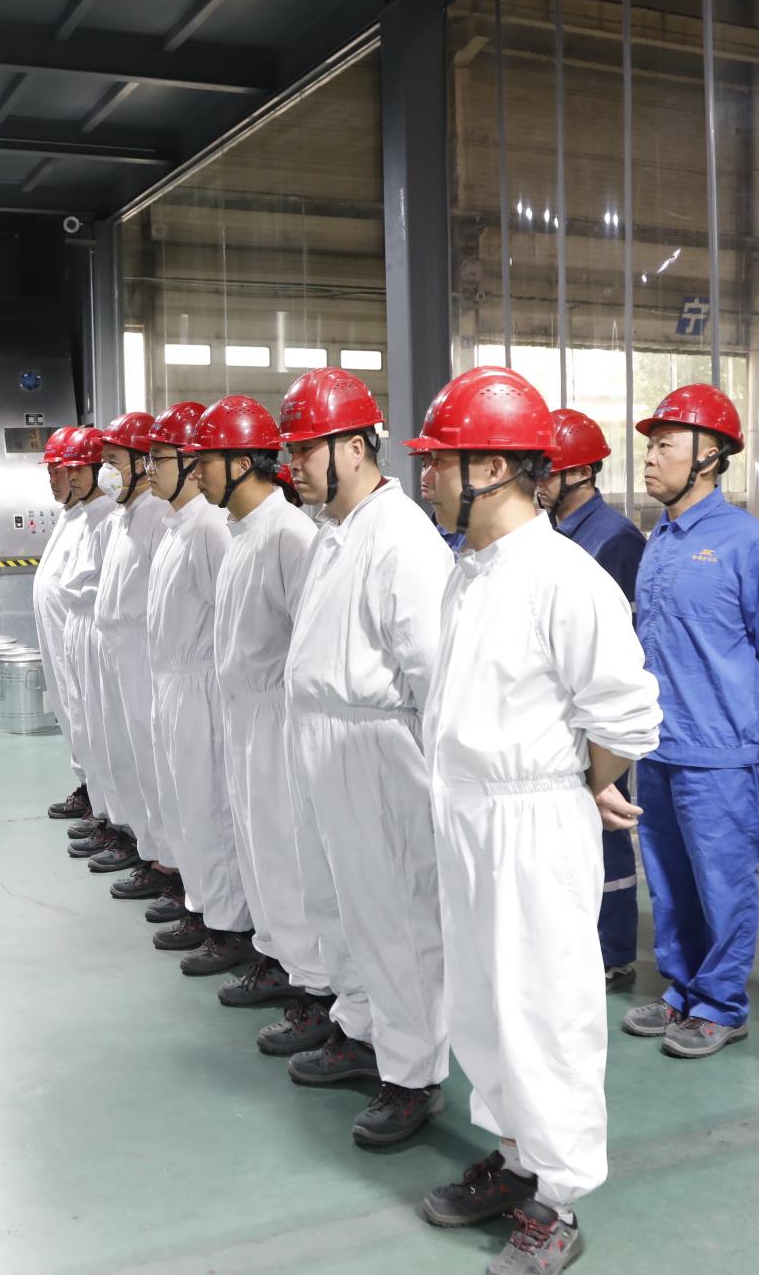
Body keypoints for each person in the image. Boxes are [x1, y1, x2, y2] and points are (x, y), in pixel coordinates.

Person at [409, 365, 662, 1275]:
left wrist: (579, 782)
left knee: (546, 1009)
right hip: (470, 813)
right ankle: (516, 1156)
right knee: (482, 1003)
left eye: (439, 460)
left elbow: (626, 716)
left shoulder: (566, 578)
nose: (425, 476)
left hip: (532, 824)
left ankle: (557, 1200)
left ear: (492, 468)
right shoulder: (469, 571)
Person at [280, 367, 453, 1146]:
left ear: (353, 447)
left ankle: (414, 1074)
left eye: (306, 449)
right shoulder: (333, 529)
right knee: (337, 902)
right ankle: (359, 1028)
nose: (294, 464)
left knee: (395, 913)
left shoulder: (401, 536)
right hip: (325, 737)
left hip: (377, 748)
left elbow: (432, 669)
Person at [620, 384, 759, 1059]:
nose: (650, 458)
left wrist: (751, 726)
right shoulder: (660, 541)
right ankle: (683, 990)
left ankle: (722, 1003)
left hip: (720, 749)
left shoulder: (747, 544)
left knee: (722, 881)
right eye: (650, 446)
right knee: (669, 879)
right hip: (659, 745)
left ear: (710, 456)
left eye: (665, 445)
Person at [182, 395, 329, 999]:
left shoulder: (289, 535)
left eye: (205, 462)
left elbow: (309, 640)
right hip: (245, 714)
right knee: (257, 846)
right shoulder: (241, 532)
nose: (196, 474)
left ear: (242, 462)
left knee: (285, 852)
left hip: (278, 720)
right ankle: (276, 956)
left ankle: (311, 983)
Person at [539, 407, 646, 993]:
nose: (537, 482)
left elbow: (620, 641)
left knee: (606, 827)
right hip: (563, 710)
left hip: (596, 709)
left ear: (580, 473)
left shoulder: (615, 538)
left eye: (546, 471)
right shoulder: (552, 534)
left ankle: (612, 951)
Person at [142, 402, 252, 954]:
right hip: (173, 685)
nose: (148, 470)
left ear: (190, 464)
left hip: (201, 688)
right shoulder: (176, 526)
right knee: (185, 805)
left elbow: (228, 617)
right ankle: (201, 903)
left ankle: (229, 925)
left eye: (159, 459)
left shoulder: (210, 528)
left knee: (210, 809)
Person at [87, 412, 176, 896]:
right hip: (121, 650)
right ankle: (144, 844)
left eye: (113, 459)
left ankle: (168, 865)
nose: (106, 470)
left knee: (152, 762)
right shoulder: (126, 515)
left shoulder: (158, 516)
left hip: (144, 654)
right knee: (128, 755)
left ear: (142, 463)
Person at [56, 427, 134, 864]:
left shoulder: (112, 518)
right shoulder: (91, 516)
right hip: (86, 632)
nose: (72, 477)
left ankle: (127, 829)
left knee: (115, 740)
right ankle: (107, 814)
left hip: (109, 639)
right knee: (92, 732)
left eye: (83, 468)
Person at [31, 426, 92, 823]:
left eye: (61, 471)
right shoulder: (69, 515)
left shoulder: (93, 519)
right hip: (58, 641)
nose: (53, 480)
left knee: (83, 715)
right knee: (68, 712)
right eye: (51, 472)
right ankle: (89, 789)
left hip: (76, 642)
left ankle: (99, 797)